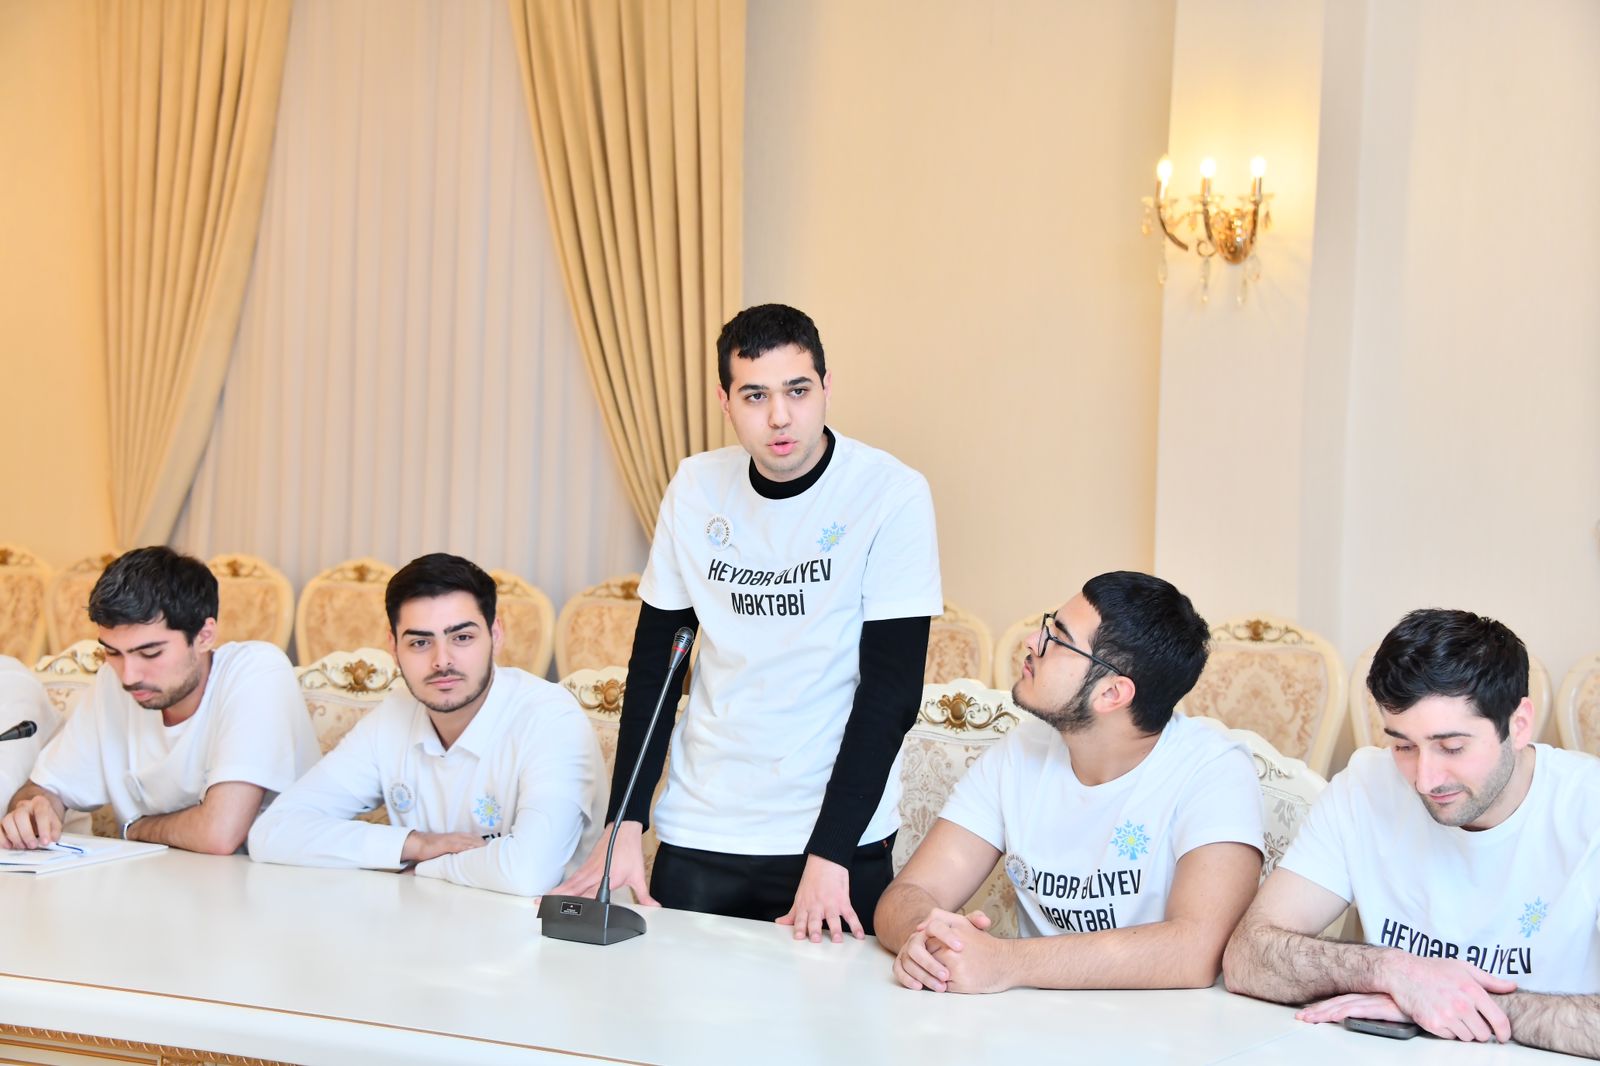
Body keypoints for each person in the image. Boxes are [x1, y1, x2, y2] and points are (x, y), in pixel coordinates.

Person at [556, 303, 942, 942]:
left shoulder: (889, 494)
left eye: (798, 390)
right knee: (674, 1006)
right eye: (756, 395)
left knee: (836, 1009)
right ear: (725, 401)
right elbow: (656, 667)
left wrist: (831, 851)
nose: (780, 416)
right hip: (703, 826)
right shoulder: (695, 487)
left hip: (835, 840)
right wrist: (625, 820)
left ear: (826, 387)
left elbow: (891, 692)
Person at [1223, 608, 1600, 1058]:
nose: (1424, 780)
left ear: (1518, 725)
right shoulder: (1364, 786)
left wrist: (1454, 1004)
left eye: (1452, 747)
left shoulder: (1587, 809)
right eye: (1403, 745)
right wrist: (1392, 972)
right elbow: (1247, 957)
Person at [874, 571, 1264, 992]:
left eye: (1058, 640)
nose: (1031, 641)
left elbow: (1194, 951)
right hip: (1027, 1018)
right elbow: (908, 893)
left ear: (1112, 693)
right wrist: (929, 938)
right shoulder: (1020, 752)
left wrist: (1005, 962)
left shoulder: (1215, 772)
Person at [249, 553, 605, 896]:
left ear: (495, 635)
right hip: (426, 921)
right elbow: (272, 832)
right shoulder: (395, 714)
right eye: (420, 642)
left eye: (462, 638)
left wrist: (427, 866)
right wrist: (414, 844)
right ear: (394, 647)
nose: (441, 661)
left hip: (554, 929)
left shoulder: (550, 719)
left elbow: (528, 873)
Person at [0, 547, 319, 854]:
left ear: (204, 636)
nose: (129, 676)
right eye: (112, 652)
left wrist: (135, 829)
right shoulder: (113, 683)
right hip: (158, 881)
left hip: (271, 882)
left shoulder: (256, 671)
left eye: (150, 653)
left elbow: (219, 834)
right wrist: (34, 809)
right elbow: (44, 788)